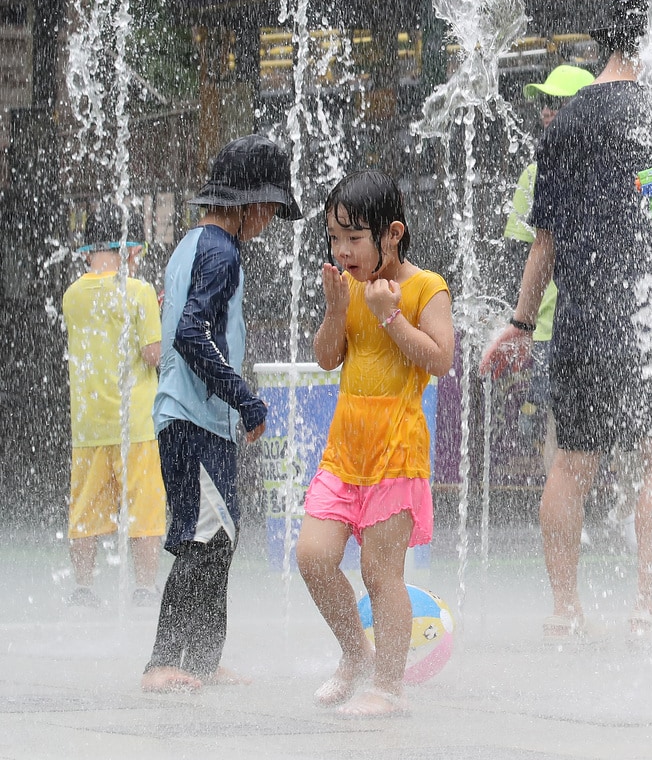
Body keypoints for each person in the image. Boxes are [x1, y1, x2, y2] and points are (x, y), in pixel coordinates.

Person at [480, 0, 652, 644]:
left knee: (573, 463)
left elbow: (543, 241)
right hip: (645, 318)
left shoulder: (566, 121)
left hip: (576, 318)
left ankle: (565, 611)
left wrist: (521, 324)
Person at [141, 134, 299, 693]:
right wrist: (245, 397)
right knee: (203, 535)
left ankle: (203, 660)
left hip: (197, 418)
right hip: (193, 417)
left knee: (220, 535)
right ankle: (163, 660)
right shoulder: (221, 251)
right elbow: (190, 333)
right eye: (272, 208)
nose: (272, 220)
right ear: (249, 202)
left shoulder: (193, 245)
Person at [296, 169, 454, 716]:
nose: (342, 252)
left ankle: (388, 686)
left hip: (396, 453)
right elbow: (325, 357)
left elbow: (440, 359)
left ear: (392, 233)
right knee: (313, 556)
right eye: (334, 239)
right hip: (345, 450)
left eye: (353, 239)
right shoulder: (348, 286)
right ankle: (355, 655)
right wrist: (338, 309)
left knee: (380, 574)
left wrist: (390, 316)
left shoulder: (424, 287)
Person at [62, 206, 166, 608]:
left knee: (84, 510)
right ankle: (143, 589)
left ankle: (84, 589)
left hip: (88, 425)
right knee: (145, 507)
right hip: (135, 424)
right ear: (130, 249)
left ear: (87, 251)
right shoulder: (138, 291)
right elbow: (152, 353)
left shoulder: (72, 295)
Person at [504, 64, 595, 477]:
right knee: (562, 431)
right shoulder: (533, 173)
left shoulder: (607, 170)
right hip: (547, 329)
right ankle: (562, 517)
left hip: (593, 321)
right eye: (544, 102)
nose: (546, 112)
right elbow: (523, 253)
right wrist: (520, 320)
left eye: (557, 103)